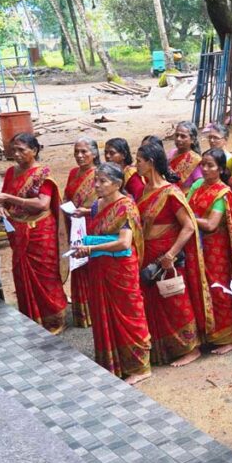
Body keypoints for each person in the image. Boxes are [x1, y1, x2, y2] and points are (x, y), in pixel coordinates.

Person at [72, 163, 151, 385]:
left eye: (103, 181)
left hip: (120, 268)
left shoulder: (126, 206)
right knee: (103, 312)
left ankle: (140, 366)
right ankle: (113, 362)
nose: (97, 185)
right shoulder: (97, 205)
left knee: (129, 314)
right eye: (95, 180)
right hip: (100, 267)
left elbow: (124, 242)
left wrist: (91, 249)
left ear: (117, 184)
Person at [135, 143, 212, 366]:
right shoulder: (144, 191)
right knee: (155, 302)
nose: (136, 165)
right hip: (149, 253)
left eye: (139, 160)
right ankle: (165, 349)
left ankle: (191, 347)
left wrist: (170, 254)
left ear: (150, 163)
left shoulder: (170, 192)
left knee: (176, 299)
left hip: (167, 255)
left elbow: (188, 226)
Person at [187, 148, 232, 354]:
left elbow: (211, 224)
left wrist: (187, 218)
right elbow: (186, 204)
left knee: (218, 290)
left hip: (216, 249)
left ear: (221, 169)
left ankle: (229, 337)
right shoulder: (198, 185)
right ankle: (208, 333)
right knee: (200, 287)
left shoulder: (222, 193)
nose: (205, 169)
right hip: (196, 247)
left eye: (211, 166)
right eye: (203, 165)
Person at [0, 133, 68, 333]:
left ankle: (54, 318)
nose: (17, 154)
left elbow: (42, 203)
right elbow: (5, 201)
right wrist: (1, 208)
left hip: (40, 231)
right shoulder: (11, 172)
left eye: (22, 150)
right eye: (14, 150)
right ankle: (32, 318)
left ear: (34, 151)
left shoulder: (42, 173)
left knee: (46, 275)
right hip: (17, 231)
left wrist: (10, 198)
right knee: (22, 275)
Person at [64, 138, 100, 327]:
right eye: (76, 151)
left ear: (94, 154)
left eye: (84, 151)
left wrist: (86, 211)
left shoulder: (100, 175)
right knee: (78, 264)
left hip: (92, 224)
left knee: (91, 266)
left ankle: (95, 311)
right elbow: (67, 195)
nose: (79, 156)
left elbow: (107, 201)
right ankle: (83, 314)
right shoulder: (72, 173)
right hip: (74, 224)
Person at [168, 121, 203, 190]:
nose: (178, 139)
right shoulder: (171, 153)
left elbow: (199, 184)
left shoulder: (194, 160)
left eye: (183, 136)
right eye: (177, 135)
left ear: (192, 139)